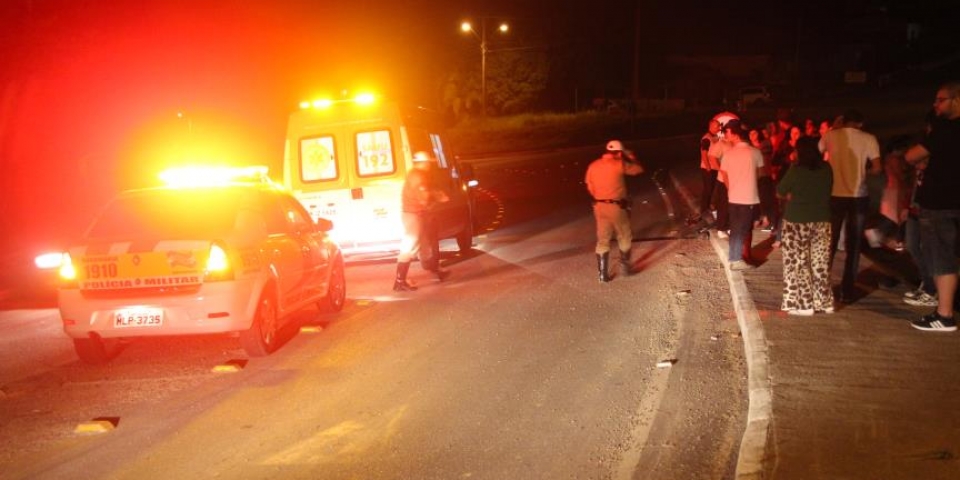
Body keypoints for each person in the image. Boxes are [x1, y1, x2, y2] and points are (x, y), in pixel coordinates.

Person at [904, 81, 960, 331]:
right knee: (946, 256)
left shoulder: (945, 128)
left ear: (956, 100)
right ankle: (942, 309)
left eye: (940, 100)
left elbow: (911, 155)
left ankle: (944, 314)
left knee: (941, 258)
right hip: (952, 201)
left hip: (940, 202)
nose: (935, 104)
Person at [819, 109, 882, 303]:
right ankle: (848, 290)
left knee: (828, 242)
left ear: (843, 121)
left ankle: (821, 288)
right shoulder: (869, 138)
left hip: (835, 194)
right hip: (858, 196)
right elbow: (877, 168)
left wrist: (833, 128)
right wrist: (863, 172)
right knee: (853, 245)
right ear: (860, 123)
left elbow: (818, 150)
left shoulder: (830, 135)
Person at [777, 137, 835, 315]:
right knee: (820, 263)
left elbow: (780, 191)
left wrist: (791, 196)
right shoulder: (827, 168)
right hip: (822, 220)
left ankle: (804, 305)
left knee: (798, 262)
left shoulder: (796, 170)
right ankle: (824, 302)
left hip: (796, 221)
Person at [585, 139, 645, 282]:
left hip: (599, 207)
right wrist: (631, 156)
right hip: (616, 206)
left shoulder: (593, 165)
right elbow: (638, 169)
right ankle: (625, 268)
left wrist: (599, 196)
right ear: (619, 152)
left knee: (603, 239)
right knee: (624, 235)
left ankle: (602, 274)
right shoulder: (618, 163)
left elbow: (589, 185)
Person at [393, 151, 450, 292]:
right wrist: (436, 198)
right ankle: (399, 281)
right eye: (428, 163)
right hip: (413, 215)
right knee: (409, 246)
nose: (429, 165)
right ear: (423, 163)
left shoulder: (415, 174)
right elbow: (423, 197)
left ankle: (437, 271)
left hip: (414, 214)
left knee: (424, 245)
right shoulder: (418, 176)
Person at [718, 120, 764, 271]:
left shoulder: (728, 154)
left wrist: (732, 188)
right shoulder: (755, 152)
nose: (725, 134)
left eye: (727, 131)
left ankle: (735, 257)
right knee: (743, 229)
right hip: (749, 197)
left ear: (735, 133)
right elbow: (760, 175)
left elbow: (723, 175)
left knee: (736, 228)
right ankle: (737, 259)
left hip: (733, 197)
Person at [694, 118, 722, 224]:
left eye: (719, 126)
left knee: (711, 189)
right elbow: (704, 154)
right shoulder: (706, 138)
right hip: (708, 168)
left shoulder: (715, 137)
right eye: (717, 126)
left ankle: (707, 207)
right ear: (710, 126)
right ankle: (704, 210)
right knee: (708, 189)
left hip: (713, 167)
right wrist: (708, 167)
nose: (719, 128)